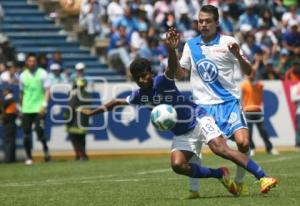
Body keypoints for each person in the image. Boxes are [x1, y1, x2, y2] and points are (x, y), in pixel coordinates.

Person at [81, 28, 278, 196]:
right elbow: (116, 102)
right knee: (177, 165)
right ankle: (219, 174)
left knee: (221, 149)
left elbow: (173, 67)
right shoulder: (139, 95)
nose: (143, 80)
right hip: (182, 132)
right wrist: (93, 113)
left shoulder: (162, 81)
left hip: (198, 118)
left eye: (145, 75)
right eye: (138, 78)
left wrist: (172, 49)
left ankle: (263, 177)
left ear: (151, 72)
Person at [175, 5, 258, 195]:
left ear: (217, 22)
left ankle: (238, 182)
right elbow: (181, 73)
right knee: (195, 146)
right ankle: (194, 190)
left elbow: (249, 71)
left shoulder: (228, 42)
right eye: (200, 21)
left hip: (228, 103)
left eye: (207, 21)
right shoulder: (190, 45)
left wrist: (238, 55)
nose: (203, 24)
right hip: (202, 106)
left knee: (244, 143)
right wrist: (174, 54)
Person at [19, 53, 51, 165]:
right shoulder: (22, 75)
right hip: (27, 108)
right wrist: (21, 107)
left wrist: (44, 105)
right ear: (27, 62)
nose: (32, 63)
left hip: (39, 108)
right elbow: (22, 92)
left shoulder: (42, 73)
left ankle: (46, 150)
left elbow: (47, 90)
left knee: (39, 130)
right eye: (30, 61)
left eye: (33, 61)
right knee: (26, 134)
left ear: (36, 62)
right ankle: (29, 157)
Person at [241, 70, 279, 156]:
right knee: (249, 132)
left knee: (263, 132)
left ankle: (270, 148)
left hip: (257, 110)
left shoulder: (259, 85)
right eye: (249, 74)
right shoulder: (244, 85)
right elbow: (242, 98)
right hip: (247, 111)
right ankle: (252, 148)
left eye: (252, 74)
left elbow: (255, 84)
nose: (250, 76)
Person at [64, 78, 91, 161]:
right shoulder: (87, 94)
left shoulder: (75, 94)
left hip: (74, 120)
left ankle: (80, 155)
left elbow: (70, 107)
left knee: (75, 139)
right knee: (82, 139)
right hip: (84, 120)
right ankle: (83, 155)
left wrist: (66, 117)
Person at [1, 87, 17, 163]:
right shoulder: (12, 100)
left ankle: (8, 159)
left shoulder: (9, 100)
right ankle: (11, 158)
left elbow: (3, 108)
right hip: (11, 123)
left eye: (4, 91)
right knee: (11, 140)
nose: (3, 92)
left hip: (9, 123)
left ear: (8, 92)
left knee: (8, 141)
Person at [290, 81, 300, 151]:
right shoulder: (296, 87)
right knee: (299, 128)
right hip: (299, 111)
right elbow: (293, 98)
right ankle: (298, 143)